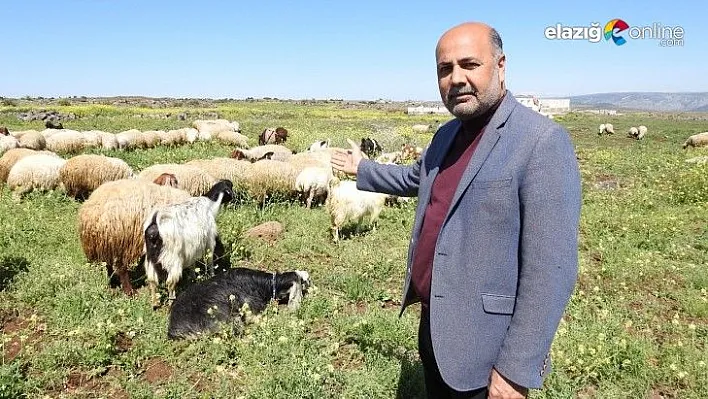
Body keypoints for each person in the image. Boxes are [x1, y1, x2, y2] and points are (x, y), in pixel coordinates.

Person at [331, 22, 581, 399]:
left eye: (469, 64)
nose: (456, 79)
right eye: (445, 69)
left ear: (500, 65)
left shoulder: (540, 142)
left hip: (486, 346)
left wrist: (515, 371)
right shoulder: (446, 135)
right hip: (436, 326)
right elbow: (416, 178)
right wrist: (362, 169)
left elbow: (552, 270)